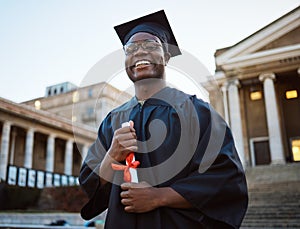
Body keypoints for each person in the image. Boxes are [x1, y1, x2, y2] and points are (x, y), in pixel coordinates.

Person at [79, 10, 248, 229]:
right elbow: (89, 185)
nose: (140, 53)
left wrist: (159, 196)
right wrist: (112, 155)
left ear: (166, 56)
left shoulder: (197, 112)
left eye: (151, 46)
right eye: (131, 49)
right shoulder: (113, 120)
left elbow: (226, 181)